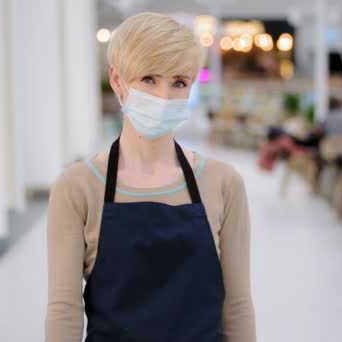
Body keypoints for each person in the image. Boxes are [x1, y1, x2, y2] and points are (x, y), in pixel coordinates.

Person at [45, 12, 256, 342]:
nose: (163, 97)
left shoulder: (223, 183)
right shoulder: (78, 187)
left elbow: (238, 306)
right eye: (148, 79)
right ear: (117, 80)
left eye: (179, 83)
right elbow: (64, 309)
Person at [258, 97, 342, 171]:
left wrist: (315, 130)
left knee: (286, 135)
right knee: (287, 135)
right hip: (328, 144)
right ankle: (275, 132)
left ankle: (274, 132)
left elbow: (319, 131)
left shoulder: (331, 116)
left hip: (320, 144)